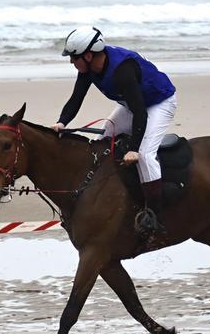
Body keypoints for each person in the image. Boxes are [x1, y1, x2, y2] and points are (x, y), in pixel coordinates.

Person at [53, 26, 177, 242]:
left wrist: (133, 149)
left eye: (74, 58)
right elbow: (76, 99)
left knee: (145, 156)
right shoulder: (88, 70)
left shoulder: (123, 70)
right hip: (133, 105)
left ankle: (154, 216)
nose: (72, 62)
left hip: (159, 104)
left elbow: (140, 113)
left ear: (89, 55)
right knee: (101, 140)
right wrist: (61, 122)